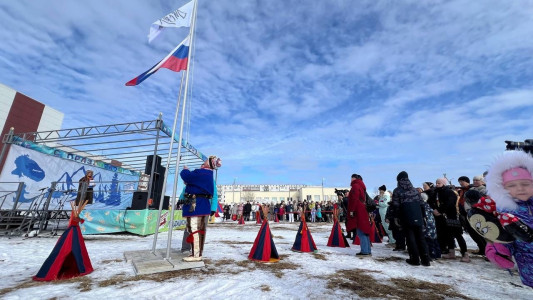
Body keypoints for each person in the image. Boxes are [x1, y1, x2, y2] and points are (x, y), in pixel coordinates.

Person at [485, 150, 533, 288]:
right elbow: (502, 239)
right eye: (512, 185)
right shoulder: (504, 213)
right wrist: (499, 252)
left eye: (525, 184)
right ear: (502, 188)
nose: (520, 189)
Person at [179, 155, 221, 262]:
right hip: (198, 204)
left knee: (195, 229)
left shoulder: (202, 172)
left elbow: (185, 176)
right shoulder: (206, 174)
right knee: (194, 228)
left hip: (197, 205)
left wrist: (185, 170)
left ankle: (196, 254)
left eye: (206, 161)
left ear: (209, 164)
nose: (204, 162)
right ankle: (194, 252)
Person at [392, 171, 430, 266]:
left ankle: (415, 259)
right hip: (418, 215)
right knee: (420, 237)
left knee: (410, 238)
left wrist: (396, 217)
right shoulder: (414, 190)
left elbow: (396, 205)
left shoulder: (397, 190)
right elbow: (422, 204)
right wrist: (423, 216)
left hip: (406, 215)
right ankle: (426, 259)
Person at [435, 178, 469, 262]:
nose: (437, 184)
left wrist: (439, 210)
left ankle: (465, 254)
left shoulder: (449, 192)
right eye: (436, 183)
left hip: (453, 216)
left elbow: (449, 203)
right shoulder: (438, 192)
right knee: (448, 234)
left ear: (443, 183)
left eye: (439, 183)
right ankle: (451, 252)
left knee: (458, 235)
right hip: (445, 216)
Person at [348, 174, 372, 256]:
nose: (351, 180)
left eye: (351, 178)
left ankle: (365, 251)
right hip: (363, 209)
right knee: (365, 230)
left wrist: (352, 210)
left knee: (361, 231)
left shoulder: (355, 186)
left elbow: (354, 198)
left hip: (358, 210)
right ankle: (367, 250)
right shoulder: (362, 186)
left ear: (355, 178)